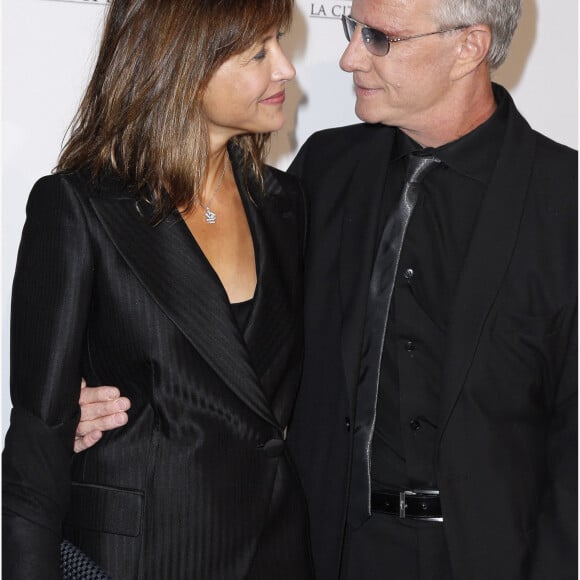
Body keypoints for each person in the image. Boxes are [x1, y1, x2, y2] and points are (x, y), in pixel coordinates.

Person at [76, 0, 578, 578]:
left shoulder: (567, 203)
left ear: (469, 47)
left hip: (491, 558)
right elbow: (224, 335)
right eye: (351, 29)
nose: (347, 58)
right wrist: (88, 396)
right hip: (320, 552)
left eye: (379, 38)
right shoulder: (322, 172)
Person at [2, 0, 314, 578]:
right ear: (185, 68)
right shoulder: (80, 207)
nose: (286, 70)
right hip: (143, 556)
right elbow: (36, 444)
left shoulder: (283, 204)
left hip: (272, 551)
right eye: (258, 53)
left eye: (279, 42)